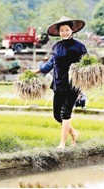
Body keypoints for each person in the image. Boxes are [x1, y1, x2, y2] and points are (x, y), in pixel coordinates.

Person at [34, 16, 87, 149]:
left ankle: (62, 143)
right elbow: (51, 63)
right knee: (57, 116)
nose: (64, 32)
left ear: (72, 30)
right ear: (58, 32)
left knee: (66, 114)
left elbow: (87, 65)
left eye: (67, 29)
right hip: (58, 84)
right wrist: (37, 70)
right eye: (62, 30)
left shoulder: (79, 46)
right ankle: (74, 133)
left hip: (72, 84)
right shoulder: (56, 46)